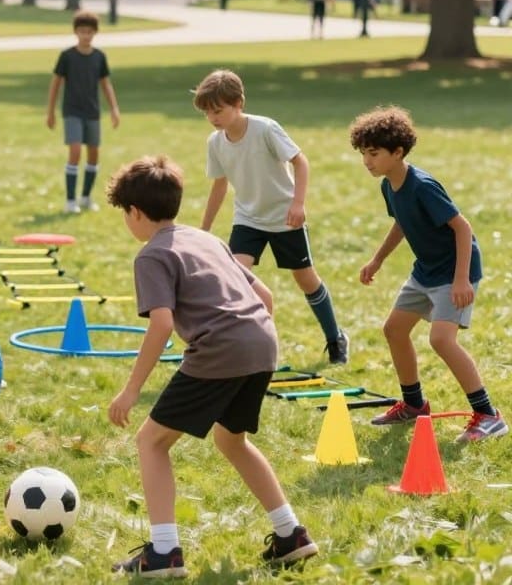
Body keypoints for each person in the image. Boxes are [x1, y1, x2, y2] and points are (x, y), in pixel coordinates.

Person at [105, 155, 318, 576]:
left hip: (222, 349)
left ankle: (164, 552)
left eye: (124, 216)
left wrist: (131, 390)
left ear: (135, 212)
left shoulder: (151, 256)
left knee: (152, 442)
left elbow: (162, 323)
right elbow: (267, 298)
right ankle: (290, 534)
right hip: (262, 342)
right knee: (231, 440)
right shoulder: (206, 239)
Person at [349, 106, 507, 442]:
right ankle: (414, 405)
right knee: (394, 330)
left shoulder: (421, 186)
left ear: (398, 152)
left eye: (374, 154)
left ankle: (488, 415)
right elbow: (401, 224)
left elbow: (463, 229)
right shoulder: (389, 186)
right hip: (425, 272)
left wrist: (463, 279)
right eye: (364, 153)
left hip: (454, 272)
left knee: (441, 340)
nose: (367, 161)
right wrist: (377, 260)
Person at [193, 70, 348, 364]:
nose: (213, 118)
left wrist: (298, 204)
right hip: (248, 219)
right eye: (207, 113)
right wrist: (204, 229)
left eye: (218, 110)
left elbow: (300, 162)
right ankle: (250, 347)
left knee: (306, 280)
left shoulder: (265, 129)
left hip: (284, 218)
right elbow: (219, 185)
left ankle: (335, 337)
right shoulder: (215, 142)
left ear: (239, 102)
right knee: (237, 276)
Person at [46, 10, 121, 213]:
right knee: (75, 151)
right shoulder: (67, 56)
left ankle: (86, 197)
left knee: (94, 155)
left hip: (93, 112)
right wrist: (50, 111)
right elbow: (55, 84)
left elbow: (106, 84)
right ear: (75, 32)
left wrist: (114, 109)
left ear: (95, 33)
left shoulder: (99, 57)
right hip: (72, 111)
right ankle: (71, 201)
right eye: (81, 31)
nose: (85, 35)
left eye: (89, 32)